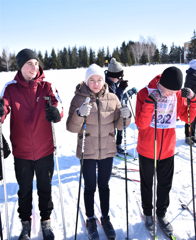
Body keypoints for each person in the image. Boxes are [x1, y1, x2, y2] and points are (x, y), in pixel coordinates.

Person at [0, 48, 63, 240]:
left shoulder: (47, 86)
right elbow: (3, 105)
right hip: (22, 152)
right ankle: (25, 225)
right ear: (20, 66)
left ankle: (46, 222)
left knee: (45, 188)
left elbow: (59, 104)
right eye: (29, 63)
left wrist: (56, 112)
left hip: (45, 149)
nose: (34, 67)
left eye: (36, 63)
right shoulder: (10, 88)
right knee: (24, 190)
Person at [66, 63, 131, 240]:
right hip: (88, 150)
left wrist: (127, 116)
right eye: (92, 80)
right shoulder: (78, 99)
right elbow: (71, 128)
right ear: (87, 81)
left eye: (99, 80)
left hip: (107, 150)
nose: (96, 83)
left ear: (104, 81)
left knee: (104, 185)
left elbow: (120, 125)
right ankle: (90, 218)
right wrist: (79, 114)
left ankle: (106, 217)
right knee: (90, 186)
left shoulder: (113, 98)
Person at [135, 66, 196, 236]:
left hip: (167, 149)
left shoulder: (176, 94)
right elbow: (141, 123)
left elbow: (187, 117)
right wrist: (149, 102)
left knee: (165, 185)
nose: (170, 94)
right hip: (147, 149)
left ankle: (161, 213)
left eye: (174, 92)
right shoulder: (144, 93)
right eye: (168, 91)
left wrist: (193, 99)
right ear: (161, 84)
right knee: (147, 185)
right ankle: (148, 213)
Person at [105, 58, 128, 154]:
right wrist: (121, 89)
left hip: (116, 112)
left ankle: (117, 145)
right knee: (111, 131)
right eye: (119, 77)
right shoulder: (106, 85)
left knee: (120, 127)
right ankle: (110, 147)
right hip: (108, 114)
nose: (120, 79)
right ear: (113, 76)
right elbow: (115, 100)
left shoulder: (112, 82)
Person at [184, 59, 196, 146]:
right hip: (190, 101)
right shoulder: (191, 75)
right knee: (190, 119)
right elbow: (187, 90)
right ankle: (188, 136)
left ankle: (192, 135)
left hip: (194, 100)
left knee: (194, 119)